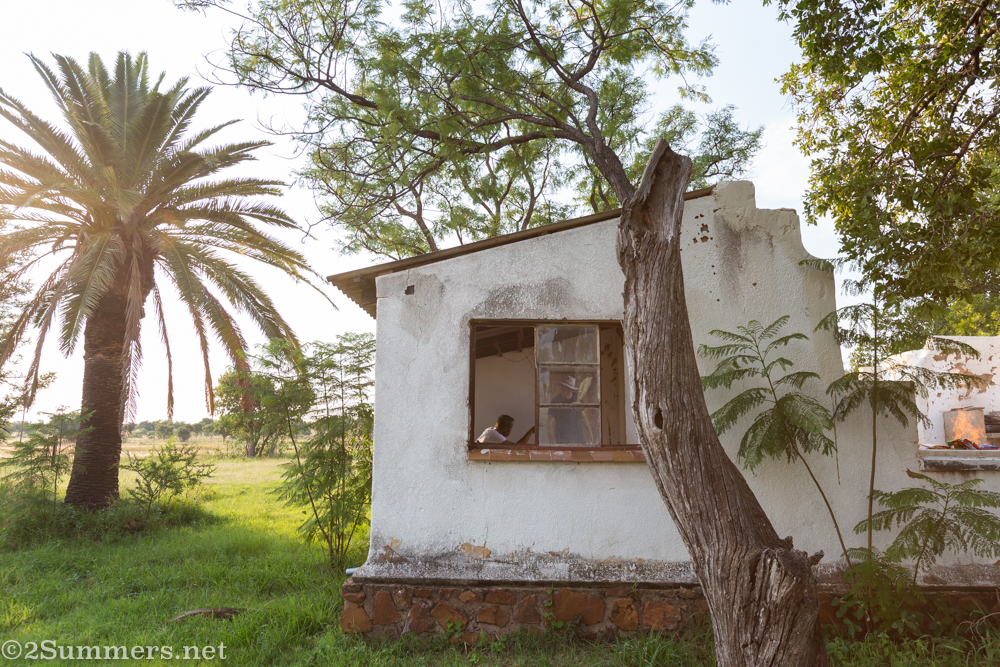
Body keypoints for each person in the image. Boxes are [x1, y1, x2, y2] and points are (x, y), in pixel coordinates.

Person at [546, 376, 594, 445]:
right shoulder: (555, 401)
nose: (567, 392)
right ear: (561, 389)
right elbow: (549, 422)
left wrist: (590, 432)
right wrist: (552, 440)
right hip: (562, 436)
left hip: (577, 435)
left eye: (569, 390)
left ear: (572, 390)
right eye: (565, 390)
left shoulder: (577, 398)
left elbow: (583, 416)